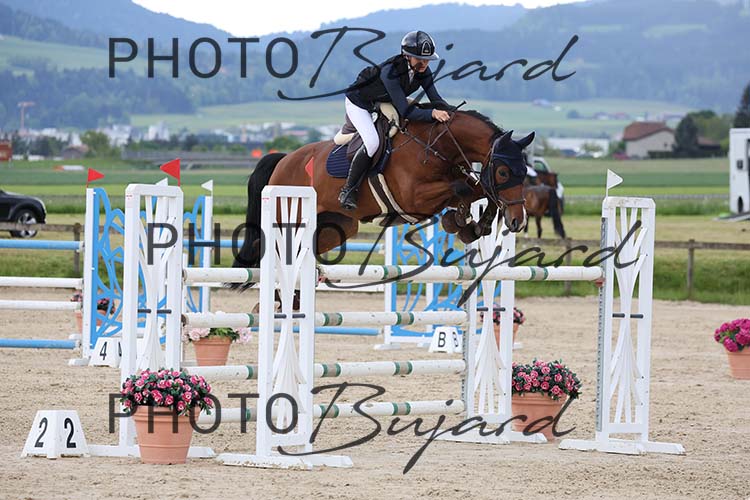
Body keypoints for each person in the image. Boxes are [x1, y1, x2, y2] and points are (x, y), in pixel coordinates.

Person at [339, 30, 451, 210]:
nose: (424, 63)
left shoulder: (423, 70)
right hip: (359, 103)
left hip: (383, 100)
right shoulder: (390, 71)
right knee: (373, 142)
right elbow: (406, 111)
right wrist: (432, 114)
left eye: (427, 59)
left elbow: (436, 99)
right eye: (419, 59)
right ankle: (348, 190)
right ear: (407, 56)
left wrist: (455, 114)